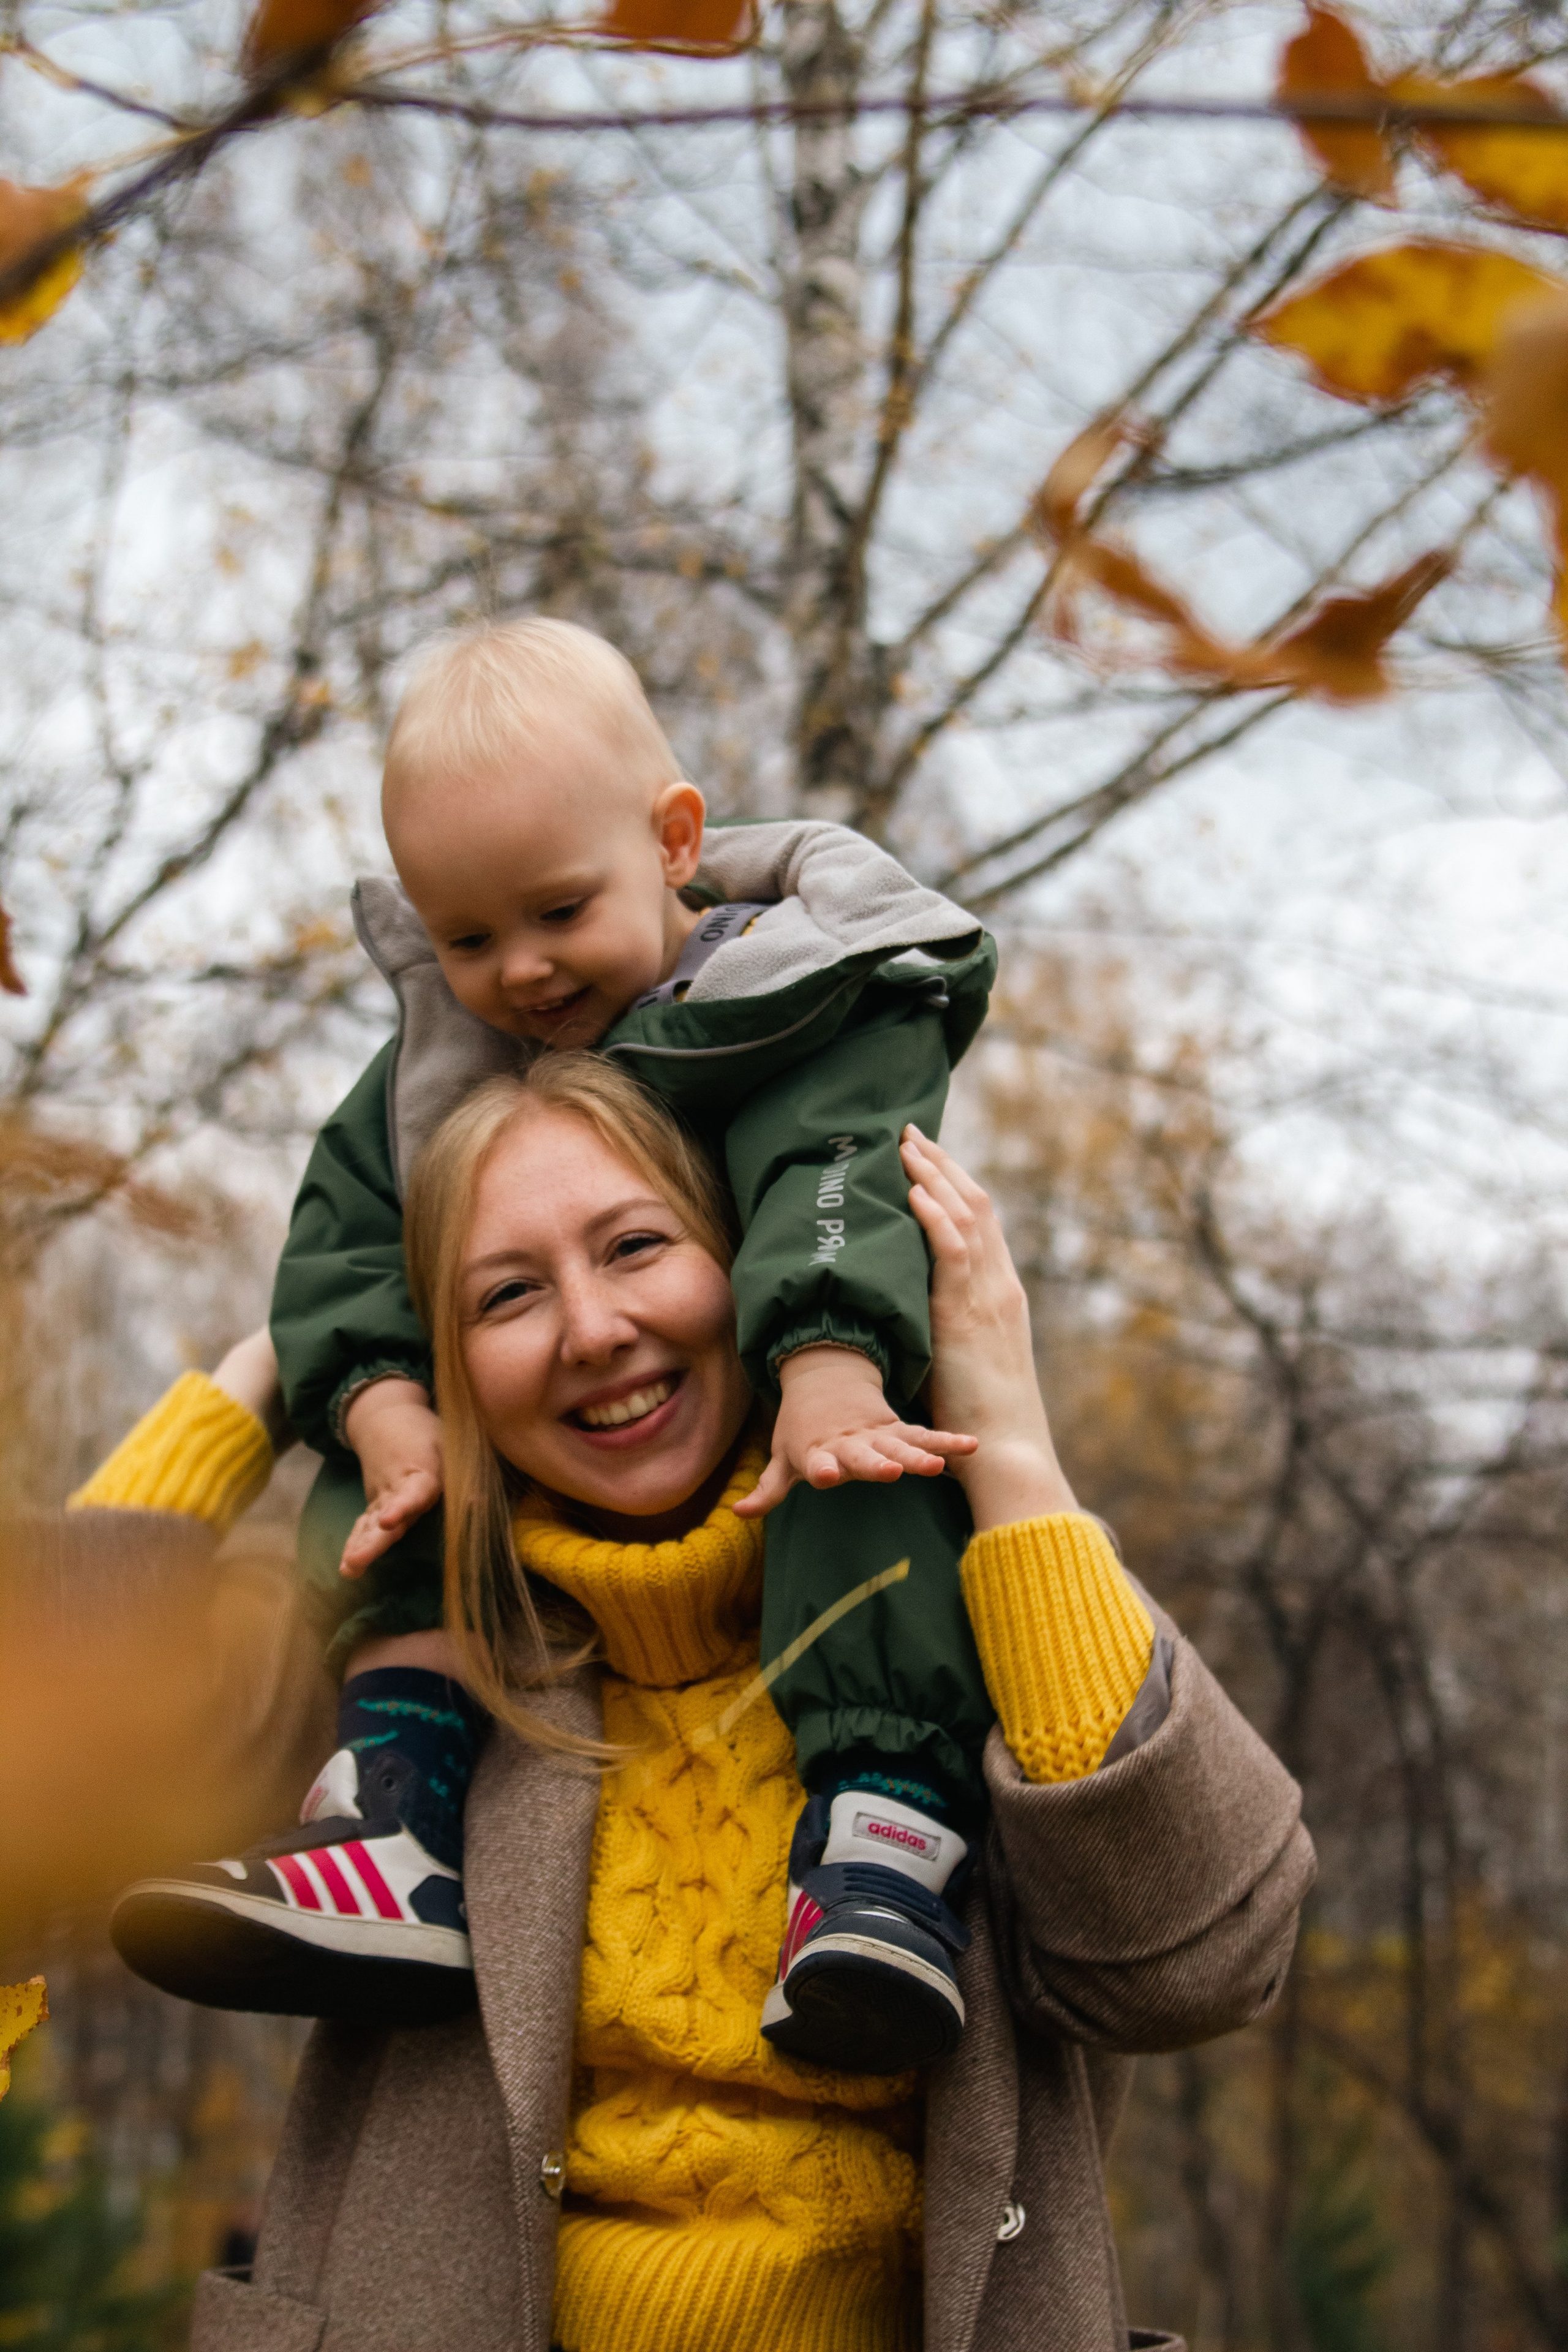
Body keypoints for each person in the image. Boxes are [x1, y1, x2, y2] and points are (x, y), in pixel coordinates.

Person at [79, 1060, 1313, 2352]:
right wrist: (276, 1362)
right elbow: (50, 1752)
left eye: (636, 1247)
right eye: (505, 1295)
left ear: (752, 1263)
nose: (593, 1328)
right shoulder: (411, 1668)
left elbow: (1194, 1964)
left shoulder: (964, 1601)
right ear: (445, 1365)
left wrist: (1003, 1440)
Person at [251, 612, 1001, 2067]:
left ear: (671, 843)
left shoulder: (796, 990)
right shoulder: (438, 1062)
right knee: (389, 1463)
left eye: (555, 912)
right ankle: (398, 1798)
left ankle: (881, 1824)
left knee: (866, 1456)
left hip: (778, 1365)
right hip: (567, 1465)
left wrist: (828, 1357)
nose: (522, 973)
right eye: (468, 938)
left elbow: (835, 1175)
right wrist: (375, 1401)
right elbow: (340, 1235)